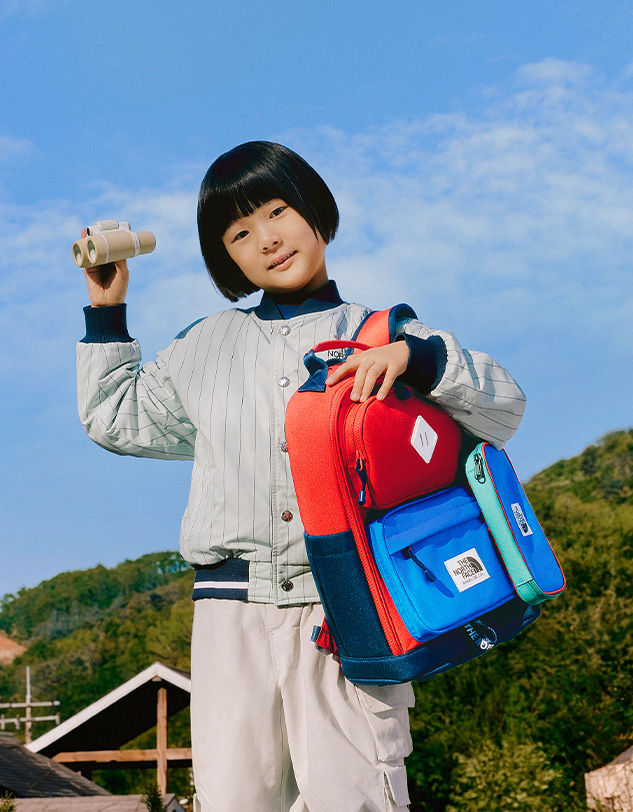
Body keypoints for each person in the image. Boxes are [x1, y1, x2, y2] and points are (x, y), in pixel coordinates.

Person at [76, 141, 526, 812]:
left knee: (358, 799)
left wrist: (416, 358)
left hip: (348, 606)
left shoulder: (385, 332)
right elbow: (115, 417)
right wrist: (106, 311)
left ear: (314, 209)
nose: (266, 239)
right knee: (233, 801)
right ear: (225, 259)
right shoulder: (203, 345)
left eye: (277, 211)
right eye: (238, 233)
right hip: (229, 616)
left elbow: (502, 406)